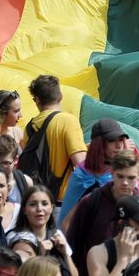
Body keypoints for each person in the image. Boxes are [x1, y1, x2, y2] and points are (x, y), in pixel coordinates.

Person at [67, 149, 139, 276]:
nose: (125, 183)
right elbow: (73, 242)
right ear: (112, 174)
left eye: (131, 178)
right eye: (120, 176)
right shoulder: (92, 201)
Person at [22, 74, 86, 202]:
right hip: (61, 201)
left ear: (36, 100)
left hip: (35, 200)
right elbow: (80, 163)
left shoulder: (29, 127)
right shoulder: (68, 120)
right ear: (61, 95)